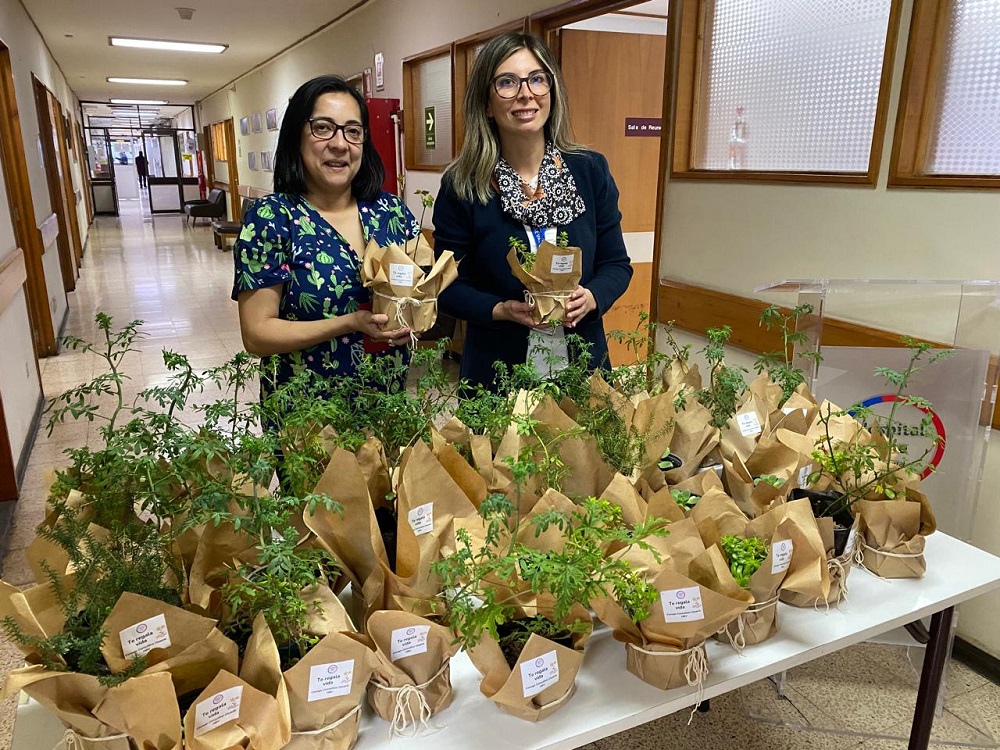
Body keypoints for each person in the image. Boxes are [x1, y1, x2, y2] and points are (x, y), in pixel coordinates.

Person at [432, 32, 633, 392]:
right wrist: (500, 309)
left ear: (552, 92)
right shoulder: (463, 185)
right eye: (507, 82)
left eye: (537, 79)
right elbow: (446, 288)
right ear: (487, 104)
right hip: (496, 376)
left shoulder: (589, 171)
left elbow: (617, 265)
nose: (526, 93)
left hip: (582, 371)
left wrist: (592, 297)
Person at [232, 74, 419, 401]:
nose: (339, 143)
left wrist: (412, 322)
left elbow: (419, 292)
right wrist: (351, 322)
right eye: (322, 128)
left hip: (386, 401)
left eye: (353, 131)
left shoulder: (390, 212)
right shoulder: (272, 218)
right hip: (307, 416)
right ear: (296, 137)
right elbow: (257, 335)